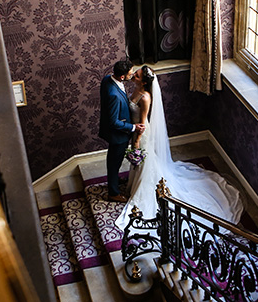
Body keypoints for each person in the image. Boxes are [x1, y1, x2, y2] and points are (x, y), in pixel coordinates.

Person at [115, 65, 243, 230]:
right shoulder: (136, 91)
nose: (133, 76)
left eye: (137, 76)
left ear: (145, 83)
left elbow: (142, 123)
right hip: (133, 131)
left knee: (145, 162)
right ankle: (135, 183)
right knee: (141, 164)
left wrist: (137, 141)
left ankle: (145, 188)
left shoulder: (145, 97)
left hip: (141, 134)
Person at [99, 61, 144, 203]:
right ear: (123, 77)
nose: (132, 74)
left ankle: (115, 180)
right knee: (113, 163)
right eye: (131, 73)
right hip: (118, 136)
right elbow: (114, 122)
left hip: (117, 133)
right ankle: (113, 193)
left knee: (115, 162)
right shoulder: (114, 95)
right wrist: (133, 127)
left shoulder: (108, 78)